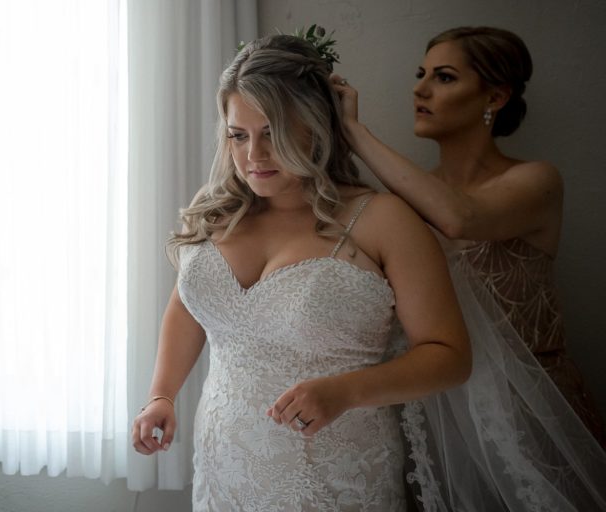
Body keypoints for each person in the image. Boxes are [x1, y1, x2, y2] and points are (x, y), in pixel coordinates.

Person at [130, 34, 473, 510]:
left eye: (273, 131)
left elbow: (450, 356)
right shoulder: (218, 215)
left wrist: (347, 391)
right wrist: (161, 396)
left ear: (316, 126)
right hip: (223, 471)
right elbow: (188, 308)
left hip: (334, 478)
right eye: (239, 135)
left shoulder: (382, 220)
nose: (254, 155)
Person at [329, 26, 606, 510]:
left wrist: (355, 132)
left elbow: (460, 219)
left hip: (532, 411)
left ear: (495, 97)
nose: (419, 88)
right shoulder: (403, 205)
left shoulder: (536, 181)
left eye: (444, 77)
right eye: (421, 74)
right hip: (443, 413)